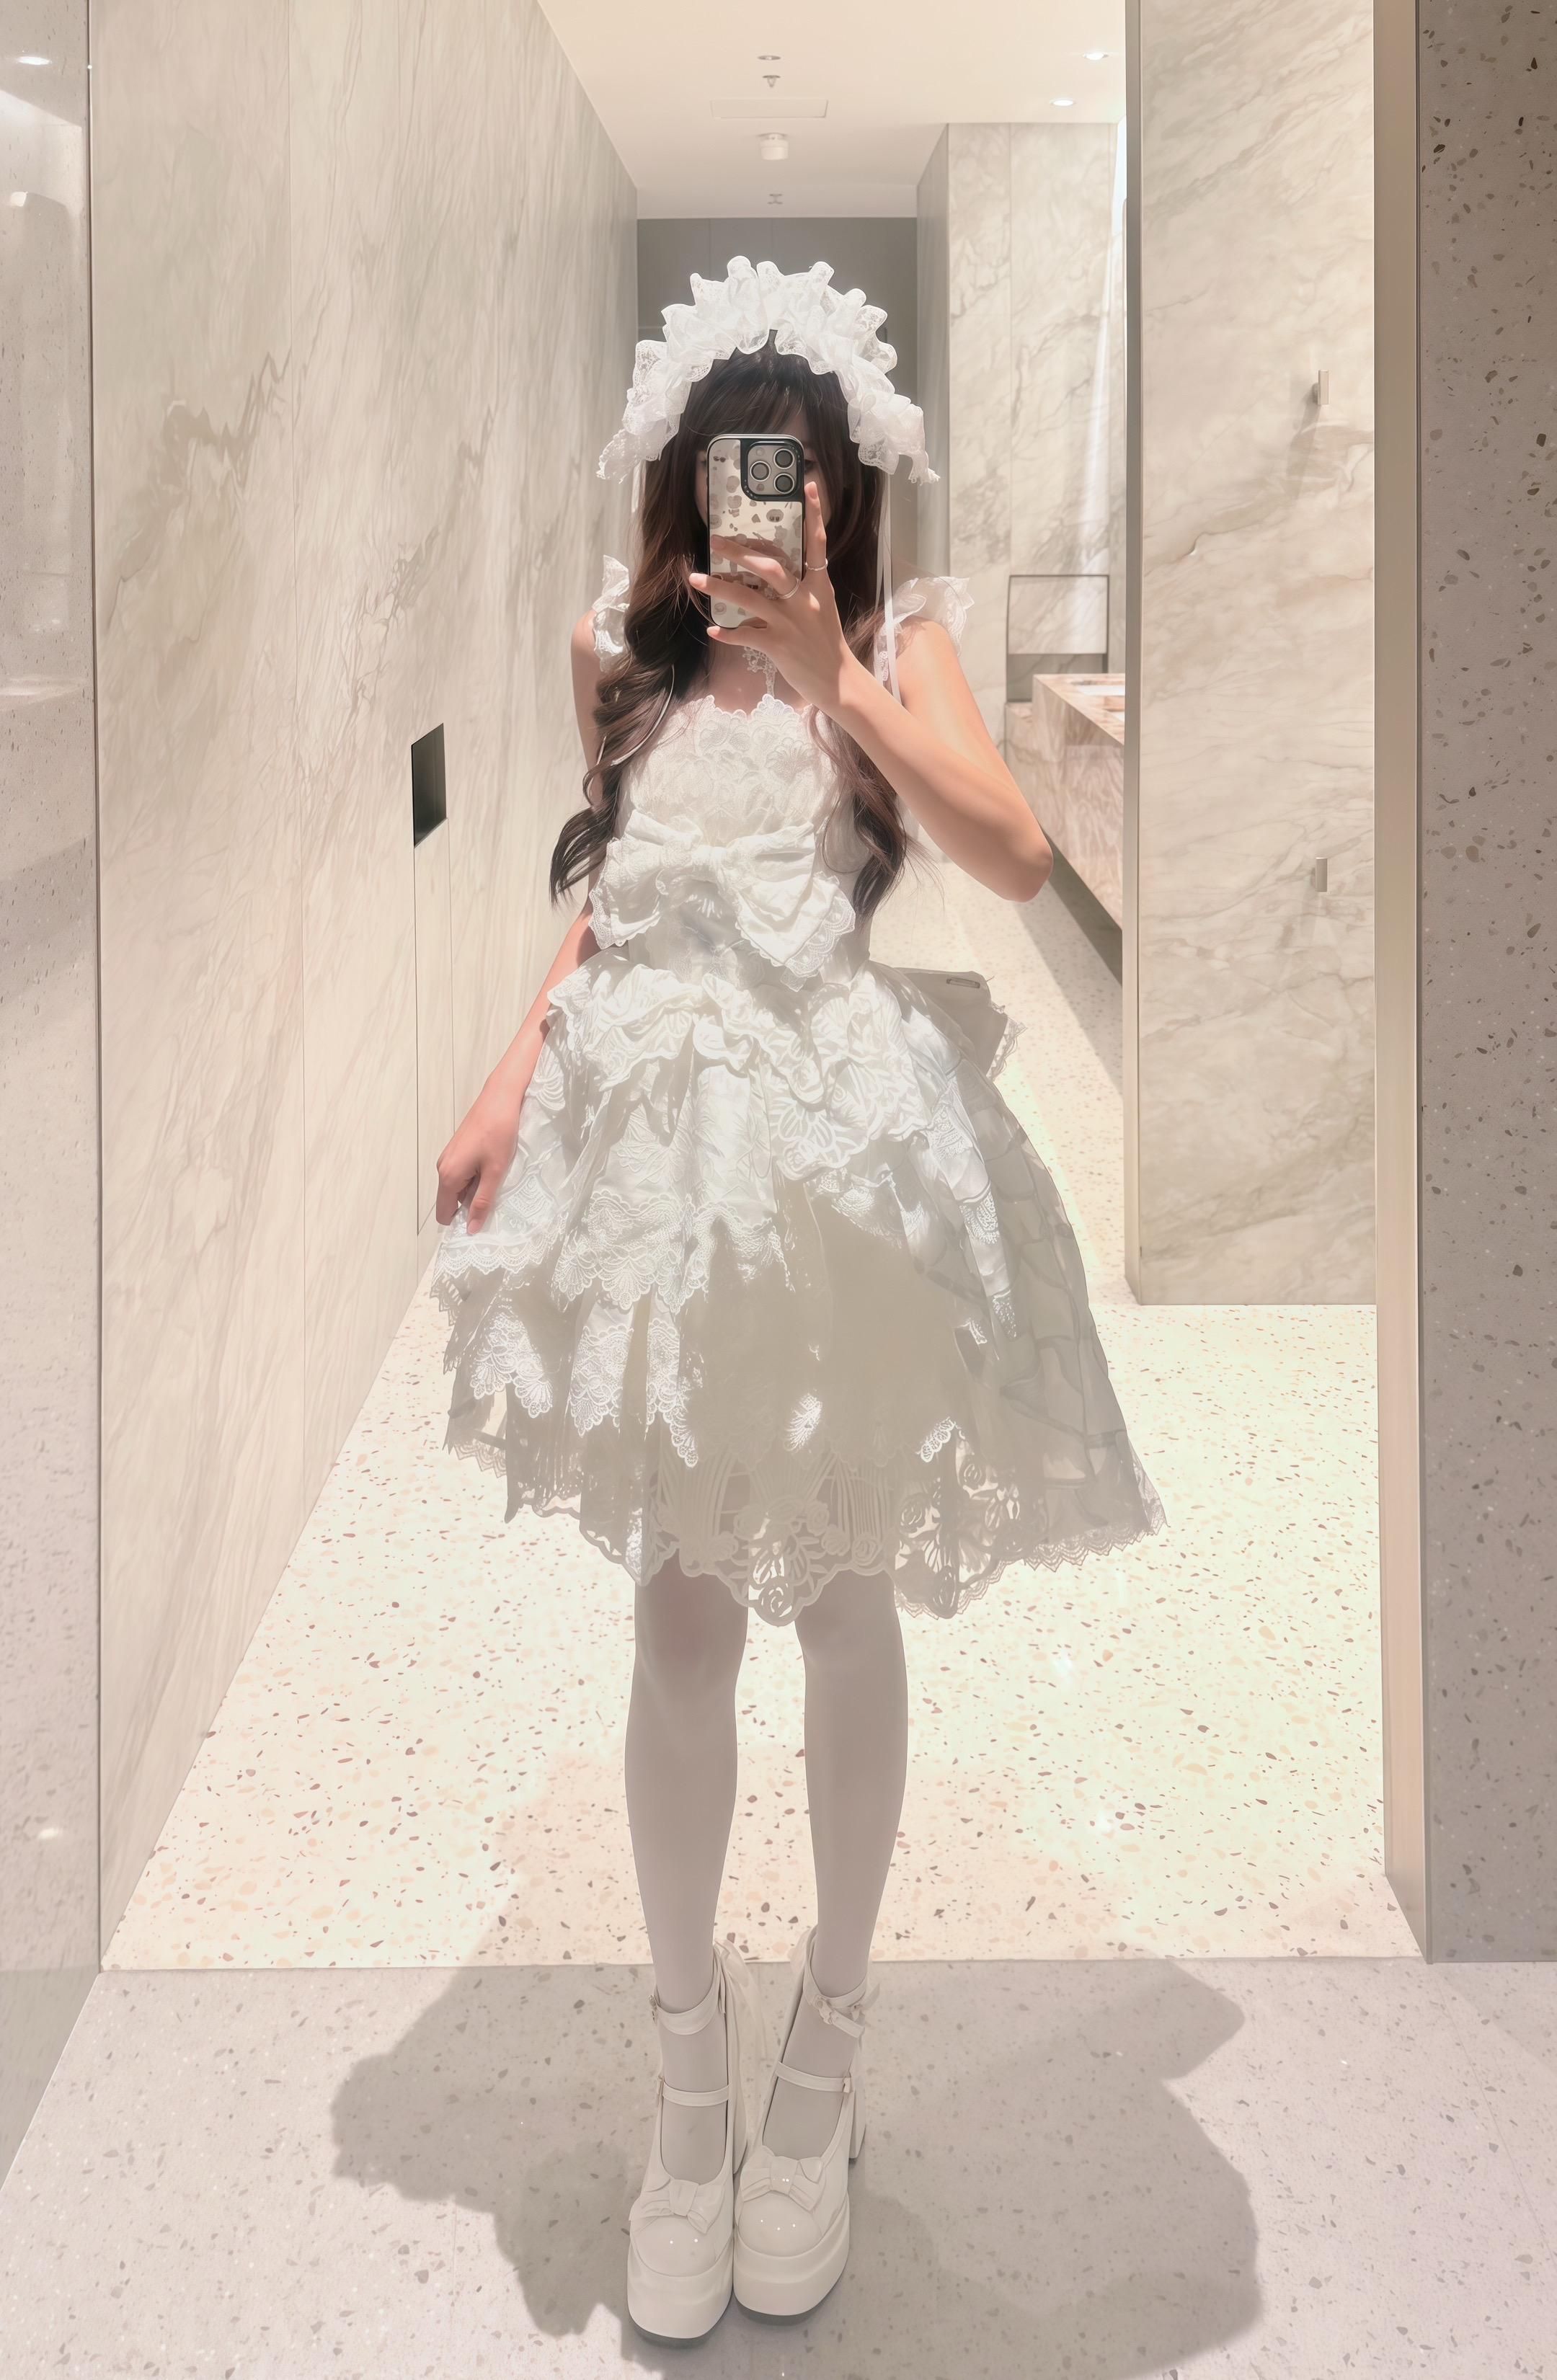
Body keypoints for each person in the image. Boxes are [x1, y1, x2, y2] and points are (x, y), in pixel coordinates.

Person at [430, 257, 1165, 2341]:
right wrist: (510, 1070)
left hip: (836, 1167)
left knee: (841, 1600)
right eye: (739, 461)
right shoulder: (617, 647)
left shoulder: (897, 643)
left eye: (807, 463)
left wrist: (841, 668)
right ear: (683, 479)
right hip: (662, 1167)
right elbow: (611, 888)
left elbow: (1010, 853)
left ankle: (827, 2046)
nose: (772, 495)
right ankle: (690, 2076)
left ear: (847, 485)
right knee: (678, 1611)